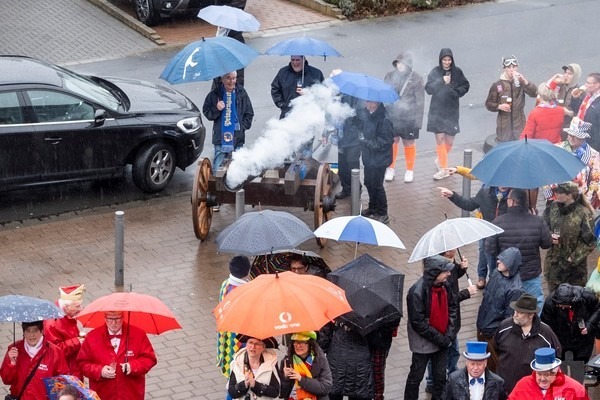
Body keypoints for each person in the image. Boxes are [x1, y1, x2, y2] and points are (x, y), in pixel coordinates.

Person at [485, 188, 552, 312]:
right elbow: (547, 244)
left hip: (508, 275)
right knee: (535, 305)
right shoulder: (537, 221)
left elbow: (490, 249)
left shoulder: (498, 222)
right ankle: (533, 330)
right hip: (531, 274)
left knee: (510, 307)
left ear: (512, 202)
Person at [404, 255, 458, 400]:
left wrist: (450, 333)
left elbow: (453, 306)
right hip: (423, 341)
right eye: (445, 271)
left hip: (442, 338)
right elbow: (418, 324)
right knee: (416, 376)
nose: (448, 274)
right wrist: (443, 339)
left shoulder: (445, 285)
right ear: (435, 273)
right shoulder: (416, 292)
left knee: (440, 377)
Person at [425, 250, 477, 393]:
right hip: (444, 323)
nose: (457, 247)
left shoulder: (447, 266)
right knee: (439, 353)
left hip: (452, 323)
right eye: (454, 246)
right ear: (447, 251)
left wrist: (460, 268)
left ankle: (452, 374)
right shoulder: (440, 270)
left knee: (453, 351)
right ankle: (434, 380)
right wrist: (466, 293)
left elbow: (453, 277)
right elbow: (449, 299)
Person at [438, 185, 510, 288]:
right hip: (488, 235)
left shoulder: (514, 195)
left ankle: (495, 284)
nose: (504, 184)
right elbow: (469, 205)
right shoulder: (485, 192)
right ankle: (486, 280)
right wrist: (452, 195)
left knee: (500, 265)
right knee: (488, 258)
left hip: (505, 238)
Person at [77, 311, 157, 400]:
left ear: (123, 318)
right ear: (105, 319)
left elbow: (150, 358)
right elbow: (82, 363)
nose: (114, 323)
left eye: (117, 319)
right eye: (110, 319)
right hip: (102, 394)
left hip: (131, 394)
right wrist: (100, 371)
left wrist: (133, 366)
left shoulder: (138, 334)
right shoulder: (92, 336)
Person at [492, 294, 561, 393]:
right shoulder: (504, 326)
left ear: (531, 315)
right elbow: (496, 348)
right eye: (515, 311)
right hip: (502, 389)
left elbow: (556, 358)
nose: (515, 314)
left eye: (520, 312)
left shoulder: (546, 333)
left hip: (529, 391)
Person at [425, 48, 470, 180]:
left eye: (449, 59)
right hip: (437, 110)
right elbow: (428, 88)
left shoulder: (457, 72)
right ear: (440, 60)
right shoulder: (435, 72)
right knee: (440, 139)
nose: (447, 62)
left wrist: (455, 92)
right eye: (444, 60)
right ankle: (444, 168)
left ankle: (440, 159)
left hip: (451, 110)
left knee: (449, 140)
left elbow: (465, 86)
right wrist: (441, 81)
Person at [476, 247, 523, 372]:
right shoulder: (496, 273)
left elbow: (509, 318)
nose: (498, 262)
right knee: (481, 362)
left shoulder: (515, 289)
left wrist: (496, 335)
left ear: (510, 264)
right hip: (483, 325)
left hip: (493, 333)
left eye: (503, 261)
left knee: (495, 365)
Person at [543, 181, 595, 291]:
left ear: (569, 195)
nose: (556, 194)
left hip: (575, 271)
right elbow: (544, 226)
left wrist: (573, 258)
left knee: (574, 301)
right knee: (554, 301)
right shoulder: (553, 208)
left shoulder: (583, 213)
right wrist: (548, 236)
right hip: (554, 266)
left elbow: (590, 241)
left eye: (560, 192)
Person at [203, 70, 255, 178]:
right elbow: (207, 112)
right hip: (220, 138)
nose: (232, 81)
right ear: (222, 79)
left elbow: (249, 113)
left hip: (237, 137)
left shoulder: (241, 92)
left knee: (238, 169)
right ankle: (218, 191)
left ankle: (235, 191)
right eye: (228, 78)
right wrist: (216, 109)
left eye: (234, 78)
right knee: (218, 168)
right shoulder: (215, 94)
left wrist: (242, 127)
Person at [383, 51, 425, 183]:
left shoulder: (416, 78)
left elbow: (420, 101)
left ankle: (409, 169)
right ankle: (390, 167)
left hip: (409, 118)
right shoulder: (389, 76)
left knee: (409, 143)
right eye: (398, 63)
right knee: (392, 141)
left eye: (403, 63)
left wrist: (418, 121)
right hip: (392, 116)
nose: (400, 66)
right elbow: (384, 93)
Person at [1, 321, 69, 400]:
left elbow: (63, 380)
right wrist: (12, 364)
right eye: (28, 331)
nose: (31, 335)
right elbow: (6, 380)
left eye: (35, 330)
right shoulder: (14, 349)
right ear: (24, 332)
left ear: (42, 331)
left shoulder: (55, 351)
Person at [542, 118, 600, 209]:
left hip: (581, 203)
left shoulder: (594, 156)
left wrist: (587, 202)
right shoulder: (556, 149)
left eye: (576, 135)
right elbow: (545, 172)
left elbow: (595, 182)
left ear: (583, 137)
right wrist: (549, 198)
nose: (572, 137)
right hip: (557, 200)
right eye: (570, 134)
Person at [541, 283, 600, 363]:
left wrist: (589, 324)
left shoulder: (586, 296)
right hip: (561, 336)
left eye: (563, 305)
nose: (560, 307)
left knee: (581, 362)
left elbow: (597, 309)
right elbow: (546, 323)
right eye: (558, 305)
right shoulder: (551, 302)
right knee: (561, 361)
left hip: (583, 337)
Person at [485, 55, 537, 143]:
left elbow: (534, 93)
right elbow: (488, 104)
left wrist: (525, 81)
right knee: (505, 149)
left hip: (519, 124)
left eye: (514, 67)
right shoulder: (498, 85)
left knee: (521, 148)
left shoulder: (521, 82)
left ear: (517, 67)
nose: (512, 70)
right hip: (504, 127)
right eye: (509, 67)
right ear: (504, 68)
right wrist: (499, 106)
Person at [319, 320, 374, 400]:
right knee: (359, 393)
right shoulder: (370, 314)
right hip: (360, 364)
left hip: (336, 359)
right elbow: (376, 340)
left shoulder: (337, 310)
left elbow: (324, 337)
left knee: (333, 393)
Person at [358, 100, 394, 224]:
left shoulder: (384, 119)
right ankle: (373, 208)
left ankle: (383, 213)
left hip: (379, 159)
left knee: (377, 185)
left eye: (368, 101)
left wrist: (365, 141)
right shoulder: (368, 114)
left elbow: (385, 142)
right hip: (369, 158)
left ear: (375, 103)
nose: (365, 103)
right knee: (368, 182)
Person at [508, 347, 589, 399]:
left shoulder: (576, 389)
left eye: (547, 374)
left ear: (556, 371)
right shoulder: (523, 385)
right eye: (539, 374)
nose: (542, 379)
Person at [217, 255, 251, 377]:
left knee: (232, 375)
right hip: (240, 342)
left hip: (226, 339)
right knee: (238, 378)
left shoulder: (225, 284)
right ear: (248, 271)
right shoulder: (244, 292)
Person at [44, 284, 85, 379]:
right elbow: (55, 351)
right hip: (64, 372)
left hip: (72, 367)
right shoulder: (52, 324)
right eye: (77, 307)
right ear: (66, 307)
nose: (81, 309)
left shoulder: (66, 314)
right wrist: (77, 342)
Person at [441, 341, 507, 400]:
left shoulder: (498, 383)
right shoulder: (453, 380)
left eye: (479, 364)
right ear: (466, 363)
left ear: (485, 363)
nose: (475, 368)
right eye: (472, 364)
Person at [279, 331, 332, 400]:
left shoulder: (320, 360)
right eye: (295, 342)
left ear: (310, 344)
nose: (297, 345)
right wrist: (285, 378)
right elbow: (282, 393)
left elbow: (326, 388)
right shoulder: (287, 361)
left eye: (302, 342)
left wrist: (301, 379)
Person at [228, 335, 280, 400]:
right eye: (250, 342)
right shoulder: (237, 363)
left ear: (263, 347)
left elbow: (275, 392)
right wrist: (244, 384)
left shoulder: (271, 363)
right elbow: (232, 392)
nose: (253, 347)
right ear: (246, 345)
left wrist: (256, 385)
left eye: (257, 344)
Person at [335, 94, 364, 200]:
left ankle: (356, 189)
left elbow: (361, 115)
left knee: (352, 164)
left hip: (353, 138)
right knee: (342, 166)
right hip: (340, 138)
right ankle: (346, 189)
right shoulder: (335, 96)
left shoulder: (356, 96)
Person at [367, 315, 401, 400]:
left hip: (380, 340)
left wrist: (381, 333)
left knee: (377, 374)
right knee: (363, 373)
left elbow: (394, 318)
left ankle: (378, 396)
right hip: (364, 339)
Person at [547, 63, 583, 131]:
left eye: (569, 74)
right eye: (565, 72)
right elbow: (544, 93)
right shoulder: (559, 86)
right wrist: (554, 80)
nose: (566, 75)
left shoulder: (579, 91)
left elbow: (580, 111)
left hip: (568, 126)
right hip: (553, 122)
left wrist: (570, 113)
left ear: (575, 76)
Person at [571, 72, 600, 150]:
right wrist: (575, 99)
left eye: (588, 83)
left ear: (597, 85)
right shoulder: (588, 96)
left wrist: (595, 148)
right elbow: (578, 110)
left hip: (592, 143)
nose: (585, 85)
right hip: (582, 135)